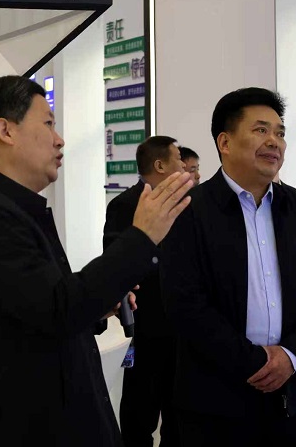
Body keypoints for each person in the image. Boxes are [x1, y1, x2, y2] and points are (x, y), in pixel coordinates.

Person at [0, 76, 194, 446]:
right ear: (6, 131)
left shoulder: (14, 209)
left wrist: (100, 303)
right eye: (48, 123)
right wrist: (141, 237)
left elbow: (42, 306)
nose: (60, 140)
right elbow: (58, 308)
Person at [161, 87, 296, 447]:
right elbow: (185, 303)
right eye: (260, 130)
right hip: (216, 403)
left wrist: (291, 356)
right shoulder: (189, 210)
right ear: (225, 142)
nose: (274, 141)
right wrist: (252, 361)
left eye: (280, 133)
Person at [103, 136, 185, 447]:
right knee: (140, 412)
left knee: (178, 413)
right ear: (160, 165)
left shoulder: (185, 205)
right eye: (178, 159)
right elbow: (116, 263)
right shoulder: (125, 205)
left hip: (181, 327)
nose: (184, 166)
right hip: (146, 326)